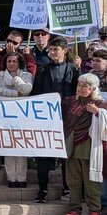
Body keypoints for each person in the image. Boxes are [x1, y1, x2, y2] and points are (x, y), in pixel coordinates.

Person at [32, 36, 78, 203]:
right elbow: (36, 93)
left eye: (55, 50)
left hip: (67, 120)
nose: (51, 52)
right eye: (50, 50)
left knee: (66, 156)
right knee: (43, 156)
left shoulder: (73, 70)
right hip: (46, 119)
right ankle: (42, 190)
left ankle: (67, 189)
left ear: (64, 51)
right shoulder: (43, 69)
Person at [62, 73, 107, 215]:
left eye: (84, 86)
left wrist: (97, 112)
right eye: (79, 85)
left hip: (88, 145)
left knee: (90, 180)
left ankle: (94, 210)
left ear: (93, 89)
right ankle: (74, 209)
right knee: (73, 179)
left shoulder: (100, 103)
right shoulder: (69, 102)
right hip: (70, 145)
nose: (81, 89)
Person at [0, 54, 33, 187]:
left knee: (21, 146)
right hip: (6, 114)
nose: (11, 63)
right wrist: (16, 93)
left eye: (14, 61)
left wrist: (16, 79)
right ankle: (11, 178)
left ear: (19, 62)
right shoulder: (0, 75)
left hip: (22, 114)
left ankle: (21, 177)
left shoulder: (26, 75)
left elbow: (26, 90)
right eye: (9, 61)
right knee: (9, 146)